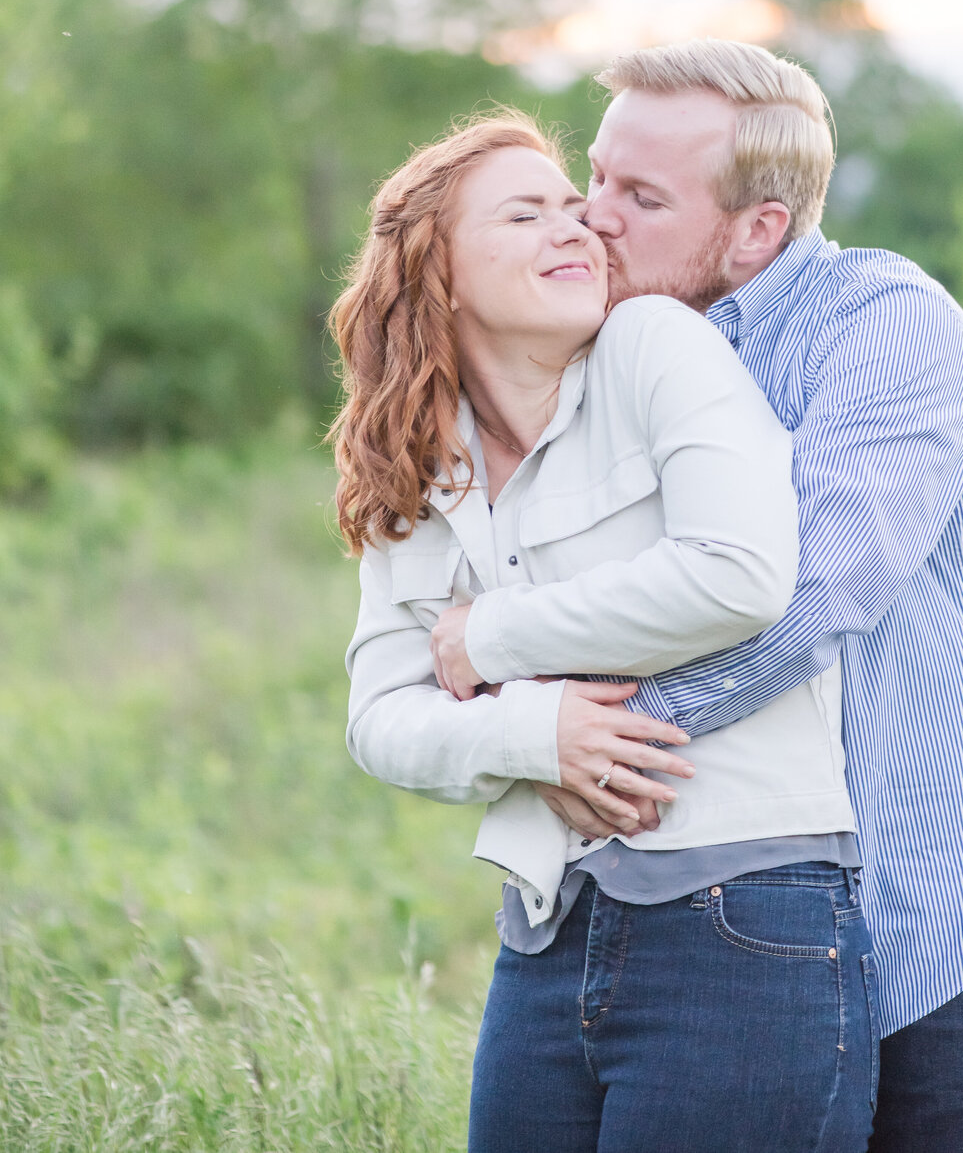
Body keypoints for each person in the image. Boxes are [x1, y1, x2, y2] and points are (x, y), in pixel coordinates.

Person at [525, 37, 963, 1153]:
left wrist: (597, 737)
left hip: (952, 913)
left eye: (640, 195)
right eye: (595, 175)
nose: (594, 215)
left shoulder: (884, 324)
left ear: (758, 230)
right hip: (757, 932)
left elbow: (806, 595)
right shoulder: (623, 354)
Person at [334, 112, 876, 1153]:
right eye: (526, 213)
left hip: (745, 910)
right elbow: (378, 716)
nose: (575, 229)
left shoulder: (653, 344)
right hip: (549, 926)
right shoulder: (417, 456)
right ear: (437, 272)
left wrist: (488, 638)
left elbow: (740, 571)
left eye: (574, 210)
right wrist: (532, 735)